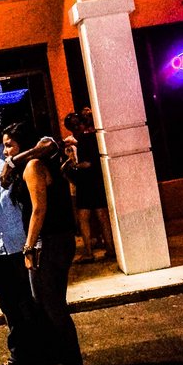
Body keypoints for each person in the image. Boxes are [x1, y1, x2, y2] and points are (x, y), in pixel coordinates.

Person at [3, 122, 85, 365]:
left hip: (49, 242)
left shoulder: (34, 165)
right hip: (53, 241)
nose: (6, 151)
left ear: (23, 145)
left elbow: (39, 209)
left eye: (10, 145)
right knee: (47, 308)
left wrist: (28, 247)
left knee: (53, 310)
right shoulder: (36, 164)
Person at [0, 110, 54, 365]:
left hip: (19, 244)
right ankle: (20, 357)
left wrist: (13, 160)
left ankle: (42, 362)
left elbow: (50, 144)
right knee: (9, 307)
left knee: (30, 305)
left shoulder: (15, 150)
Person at [63, 111, 115, 262]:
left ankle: (88, 252)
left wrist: (74, 166)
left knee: (84, 218)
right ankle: (110, 248)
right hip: (96, 181)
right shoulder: (93, 137)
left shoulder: (83, 140)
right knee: (102, 216)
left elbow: (87, 163)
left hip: (85, 183)